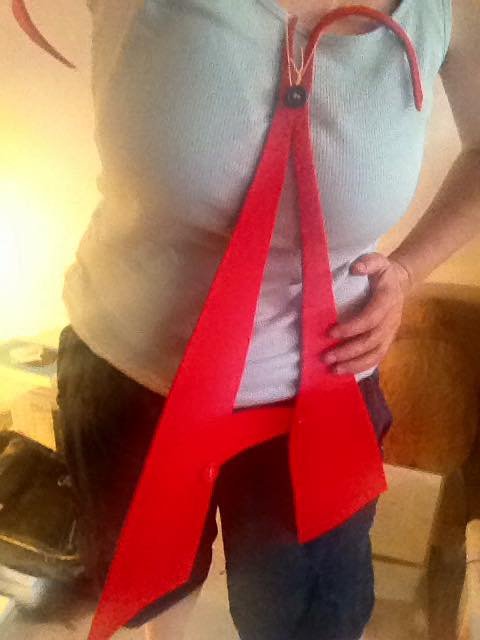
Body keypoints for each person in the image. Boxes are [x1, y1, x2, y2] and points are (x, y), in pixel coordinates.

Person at [53, 1, 480, 639]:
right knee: (148, 595)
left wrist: (408, 270)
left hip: (322, 391)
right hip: (128, 370)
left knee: (307, 619)